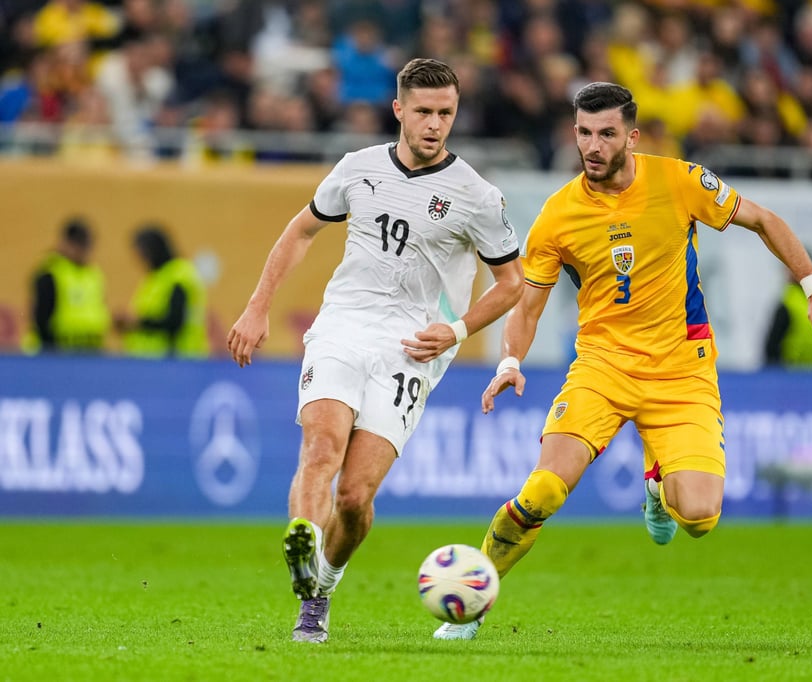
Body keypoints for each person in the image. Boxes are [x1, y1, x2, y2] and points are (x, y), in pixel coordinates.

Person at [433, 82, 812, 641]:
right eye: (584, 133)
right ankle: (473, 603)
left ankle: (656, 482)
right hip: (602, 366)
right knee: (542, 490)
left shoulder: (680, 181)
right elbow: (529, 303)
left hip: (682, 372)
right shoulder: (558, 215)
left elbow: (763, 220)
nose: (593, 145)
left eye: (607, 134)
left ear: (632, 137)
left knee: (699, 517)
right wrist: (509, 362)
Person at [226, 58, 524, 644]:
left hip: (413, 344)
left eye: (445, 114)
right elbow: (300, 231)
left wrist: (458, 331)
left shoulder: (477, 197)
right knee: (321, 447)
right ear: (398, 110)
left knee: (356, 497)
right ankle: (305, 553)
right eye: (423, 113)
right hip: (343, 323)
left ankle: (322, 589)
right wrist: (257, 305)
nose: (435, 125)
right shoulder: (356, 169)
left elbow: (511, 285)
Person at [115, 225, 209, 358]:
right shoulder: (154, 278)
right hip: (151, 361)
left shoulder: (179, 274)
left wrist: (137, 322)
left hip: (176, 360)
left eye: (141, 254)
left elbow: (175, 320)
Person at [24, 217, 111, 354]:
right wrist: (50, 349)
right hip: (57, 349)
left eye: (86, 246)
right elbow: (41, 317)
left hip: (90, 349)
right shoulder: (50, 273)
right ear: (65, 243)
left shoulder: (94, 274)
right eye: (78, 245)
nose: (82, 252)